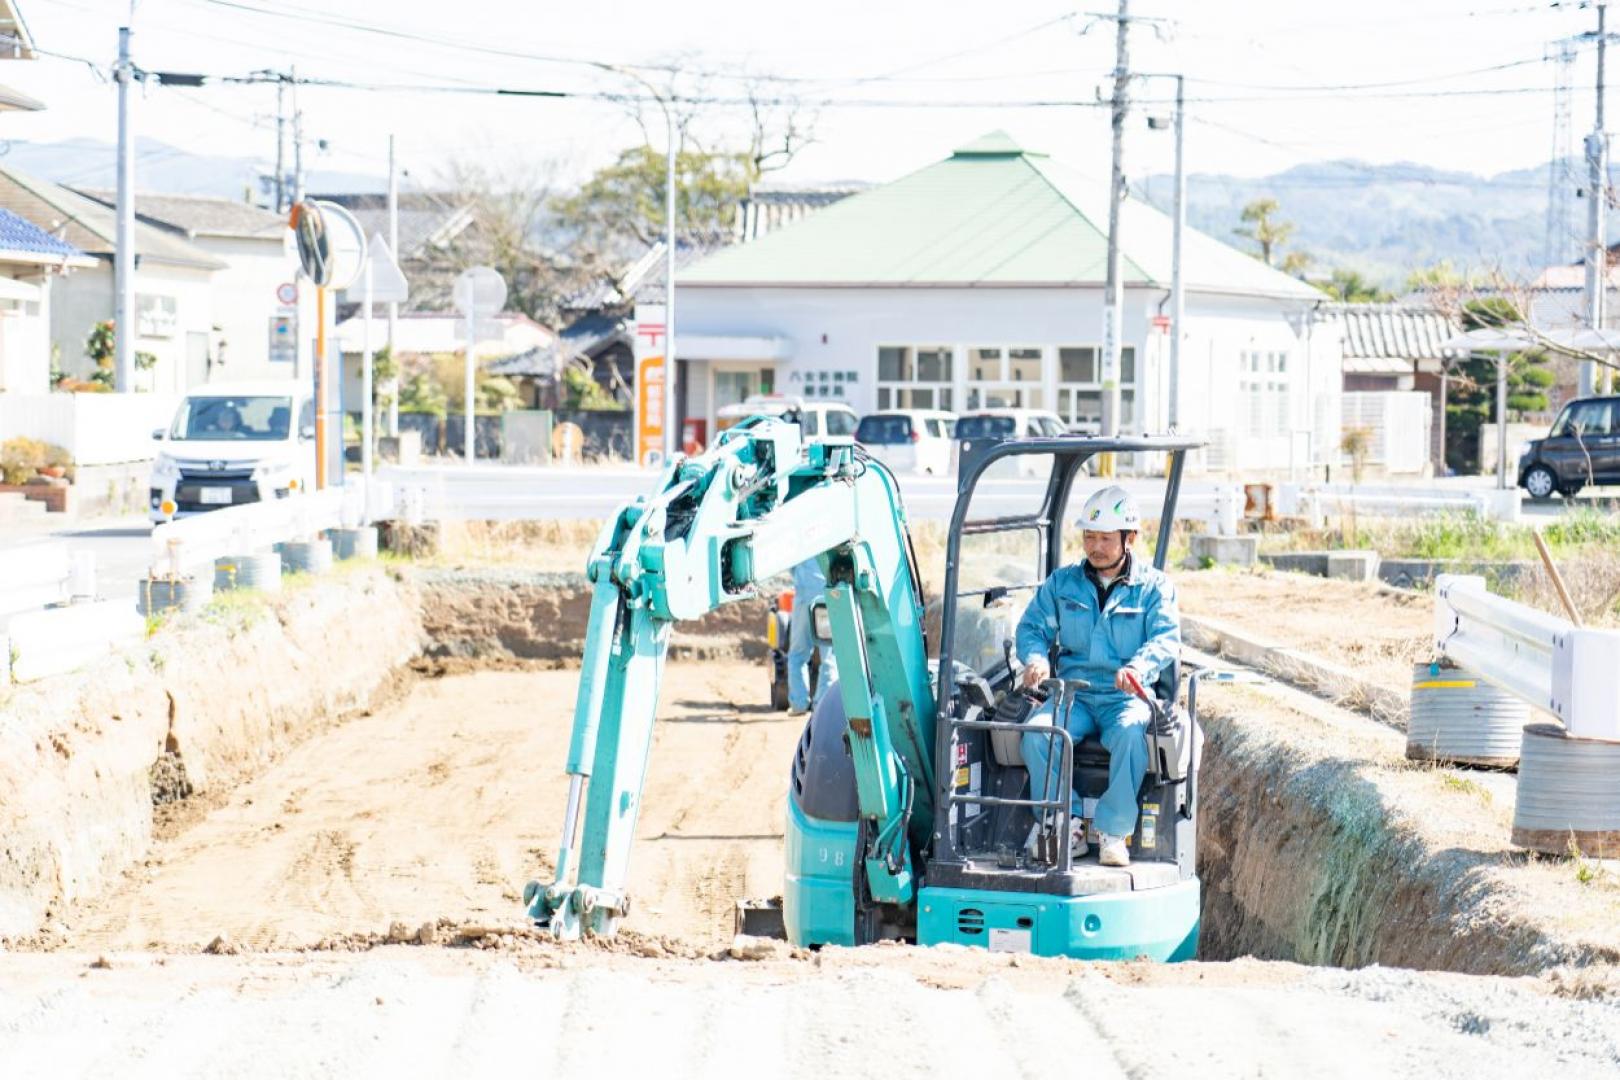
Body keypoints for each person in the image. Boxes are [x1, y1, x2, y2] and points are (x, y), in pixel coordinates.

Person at [1014, 485, 1180, 868]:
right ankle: (1063, 824)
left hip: (1125, 696)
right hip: (1074, 694)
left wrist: (1138, 668)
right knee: (1039, 733)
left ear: (1130, 539)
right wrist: (1036, 659)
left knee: (1130, 733)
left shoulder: (1154, 588)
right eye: (1090, 536)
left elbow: (1164, 638)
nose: (1096, 546)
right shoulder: (1062, 583)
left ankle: (1112, 832)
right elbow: (1032, 628)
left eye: (1106, 538)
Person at [787, 556, 839, 715]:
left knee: (797, 653)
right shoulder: (832, 535)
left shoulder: (800, 534)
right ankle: (822, 706)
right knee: (829, 656)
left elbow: (791, 563)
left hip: (803, 596)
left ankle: (798, 703)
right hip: (827, 598)